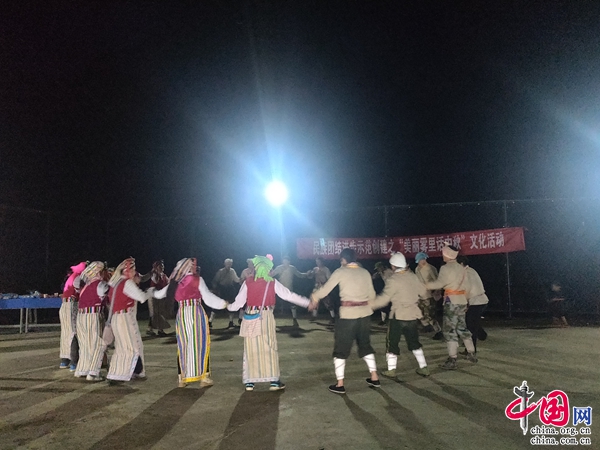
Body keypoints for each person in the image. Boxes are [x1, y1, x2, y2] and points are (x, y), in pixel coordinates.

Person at [228, 255, 310, 392]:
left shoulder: (248, 282)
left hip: (250, 316)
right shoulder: (272, 283)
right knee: (270, 347)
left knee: (251, 348)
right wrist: (307, 302)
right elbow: (288, 295)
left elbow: (238, 303)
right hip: (266, 316)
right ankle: (274, 381)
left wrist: (228, 307)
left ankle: (250, 382)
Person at [310, 248, 379, 394]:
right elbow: (372, 295)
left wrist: (315, 297)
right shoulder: (365, 272)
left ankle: (340, 384)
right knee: (365, 345)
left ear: (343, 259)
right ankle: (374, 376)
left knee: (341, 349)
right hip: (365, 315)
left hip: (348, 315)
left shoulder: (341, 271)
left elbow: (326, 289)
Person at [155, 258, 229, 388]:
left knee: (183, 344)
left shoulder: (175, 282)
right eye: (193, 265)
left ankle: (182, 378)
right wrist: (223, 303)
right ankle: (204, 377)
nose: (196, 267)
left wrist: (151, 292)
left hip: (182, 314)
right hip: (196, 313)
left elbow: (159, 294)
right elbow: (208, 298)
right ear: (188, 267)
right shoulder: (197, 279)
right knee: (201, 343)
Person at [369, 252, 431, 379]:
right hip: (412, 315)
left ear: (393, 266)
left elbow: (384, 298)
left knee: (392, 342)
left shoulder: (393, 280)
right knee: (414, 342)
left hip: (398, 316)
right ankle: (423, 367)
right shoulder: (413, 276)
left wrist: (370, 305)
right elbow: (424, 293)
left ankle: (391, 370)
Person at [424, 245, 477, 370]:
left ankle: (452, 359)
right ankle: (471, 352)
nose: (442, 255)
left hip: (451, 301)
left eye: (444, 253)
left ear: (447, 255)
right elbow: (468, 287)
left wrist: (425, 285)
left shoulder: (445, 268)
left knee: (449, 330)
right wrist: (466, 300)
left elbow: (440, 283)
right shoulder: (462, 268)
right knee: (462, 327)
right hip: (462, 300)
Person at [106, 258, 153, 384]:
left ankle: (122, 372)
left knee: (122, 347)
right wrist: (150, 292)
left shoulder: (115, 282)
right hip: (124, 317)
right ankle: (124, 374)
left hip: (117, 318)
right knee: (132, 346)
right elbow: (141, 297)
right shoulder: (126, 283)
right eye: (133, 270)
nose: (134, 272)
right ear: (127, 270)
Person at [74, 261, 109, 381]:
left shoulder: (86, 286)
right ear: (100, 272)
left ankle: (82, 369)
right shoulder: (101, 284)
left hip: (81, 316)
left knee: (85, 345)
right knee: (99, 344)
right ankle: (93, 373)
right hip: (93, 314)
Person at [457, 255, 489, 355]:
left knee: (471, 326)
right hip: (479, 300)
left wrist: (465, 303)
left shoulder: (466, 273)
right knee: (472, 322)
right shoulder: (470, 270)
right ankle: (482, 335)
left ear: (461, 263)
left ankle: (471, 350)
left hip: (476, 301)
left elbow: (466, 289)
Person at [59, 261, 86, 371]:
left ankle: (65, 360)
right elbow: (79, 290)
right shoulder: (77, 277)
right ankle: (74, 361)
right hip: (72, 305)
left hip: (65, 305)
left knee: (66, 332)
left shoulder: (71, 277)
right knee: (74, 331)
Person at [271, 255, 310, 327]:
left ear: (289, 262)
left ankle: (294, 319)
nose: (285, 263)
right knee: (273, 303)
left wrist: (306, 274)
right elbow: (271, 275)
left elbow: (299, 274)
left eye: (286, 262)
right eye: (284, 262)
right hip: (280, 290)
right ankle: (270, 319)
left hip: (289, 289)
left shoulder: (292, 268)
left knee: (293, 305)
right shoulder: (279, 268)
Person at [414, 252, 443, 340]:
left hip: (429, 295)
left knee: (430, 315)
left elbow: (437, 281)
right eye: (419, 261)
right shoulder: (417, 269)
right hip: (420, 295)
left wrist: (437, 291)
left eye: (422, 260)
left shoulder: (430, 268)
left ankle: (438, 331)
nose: (421, 262)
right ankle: (426, 326)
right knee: (420, 313)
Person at [142, 260, 171, 336]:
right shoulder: (154, 274)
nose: (162, 267)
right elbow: (156, 281)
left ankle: (157, 329)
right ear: (156, 267)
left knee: (159, 313)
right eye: (160, 266)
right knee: (153, 313)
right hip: (153, 296)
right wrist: (156, 272)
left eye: (163, 266)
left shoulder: (163, 275)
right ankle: (153, 329)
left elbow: (168, 282)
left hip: (160, 296)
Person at [210, 258, 240, 329]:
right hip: (222, 289)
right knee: (217, 306)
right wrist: (215, 289)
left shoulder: (232, 271)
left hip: (229, 289)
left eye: (230, 263)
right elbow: (215, 280)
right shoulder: (221, 271)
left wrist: (242, 279)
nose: (229, 265)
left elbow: (236, 279)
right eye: (227, 263)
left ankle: (231, 322)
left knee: (231, 306)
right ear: (225, 264)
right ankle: (210, 321)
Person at [307, 256, 335, 324]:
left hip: (324, 287)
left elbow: (330, 279)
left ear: (322, 262)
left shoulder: (326, 269)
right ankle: (314, 316)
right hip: (316, 287)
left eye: (319, 262)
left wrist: (325, 284)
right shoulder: (315, 269)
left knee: (328, 302)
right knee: (314, 301)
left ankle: (333, 317)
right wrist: (309, 273)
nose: (317, 263)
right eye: (316, 262)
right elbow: (310, 277)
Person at [372, 261, 394, 325]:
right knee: (383, 306)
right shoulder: (380, 273)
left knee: (391, 306)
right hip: (386, 290)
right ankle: (383, 320)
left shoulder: (389, 271)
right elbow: (374, 277)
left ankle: (392, 319)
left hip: (392, 289)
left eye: (378, 268)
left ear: (382, 267)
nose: (378, 270)